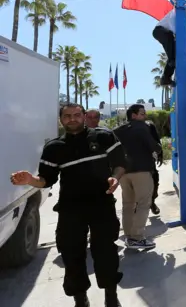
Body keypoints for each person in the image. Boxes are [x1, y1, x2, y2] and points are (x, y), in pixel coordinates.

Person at [10, 103, 126, 307]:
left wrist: (115, 178)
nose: (72, 119)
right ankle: (80, 299)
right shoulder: (54, 148)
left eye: (76, 115)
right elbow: (46, 180)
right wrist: (30, 179)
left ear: (84, 116)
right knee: (72, 255)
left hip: (102, 204)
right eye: (67, 116)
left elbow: (120, 164)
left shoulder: (103, 137)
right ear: (61, 119)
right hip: (70, 209)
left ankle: (111, 296)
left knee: (106, 251)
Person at [113, 104, 161, 249]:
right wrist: (158, 148)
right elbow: (153, 146)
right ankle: (138, 237)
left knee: (128, 205)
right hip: (141, 171)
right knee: (143, 203)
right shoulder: (142, 127)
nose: (144, 116)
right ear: (133, 115)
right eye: (142, 113)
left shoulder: (117, 130)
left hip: (123, 173)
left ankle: (129, 236)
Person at [152, 4, 186, 87]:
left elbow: (185, 32)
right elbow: (173, 27)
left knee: (175, 56)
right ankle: (168, 70)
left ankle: (166, 78)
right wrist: (180, 36)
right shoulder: (176, 13)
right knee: (170, 42)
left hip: (169, 34)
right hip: (159, 31)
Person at [146, 119, 163, 215]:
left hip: (150, 164)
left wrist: (160, 155)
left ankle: (152, 203)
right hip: (135, 166)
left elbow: (157, 142)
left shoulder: (149, 126)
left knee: (155, 182)